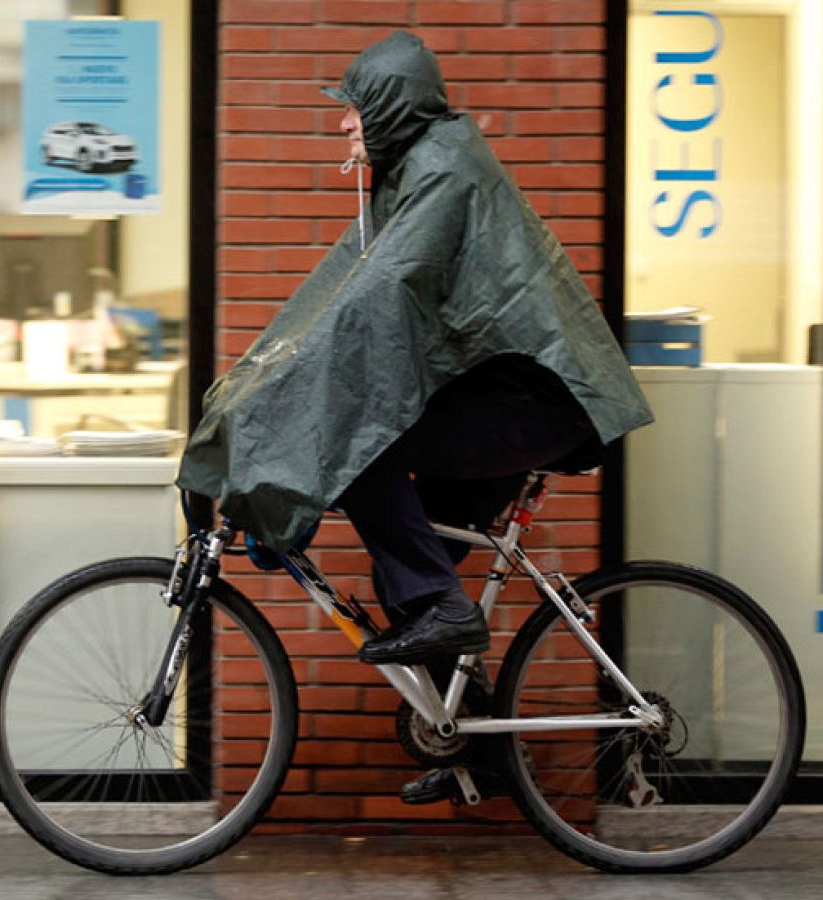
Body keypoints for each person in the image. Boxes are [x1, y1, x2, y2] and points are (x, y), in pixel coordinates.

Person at [175, 31, 653, 802]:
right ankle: (480, 746)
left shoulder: (443, 170)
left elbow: (376, 303)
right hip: (506, 392)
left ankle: (443, 607)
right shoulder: (415, 172)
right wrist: (257, 386)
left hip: (543, 400)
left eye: (354, 111)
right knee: (403, 560)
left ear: (392, 108)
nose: (343, 125)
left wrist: (285, 412)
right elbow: (336, 298)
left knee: (364, 455)